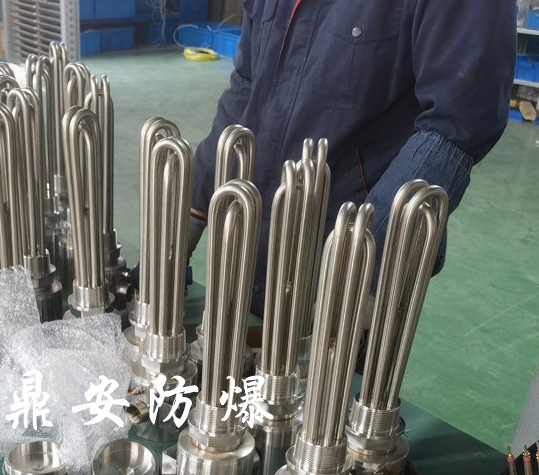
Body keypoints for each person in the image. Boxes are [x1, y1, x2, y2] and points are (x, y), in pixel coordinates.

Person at [188, 0, 516, 313]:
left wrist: (357, 272)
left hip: (344, 269)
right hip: (249, 246)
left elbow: (455, 125)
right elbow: (247, 84)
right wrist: (188, 217)